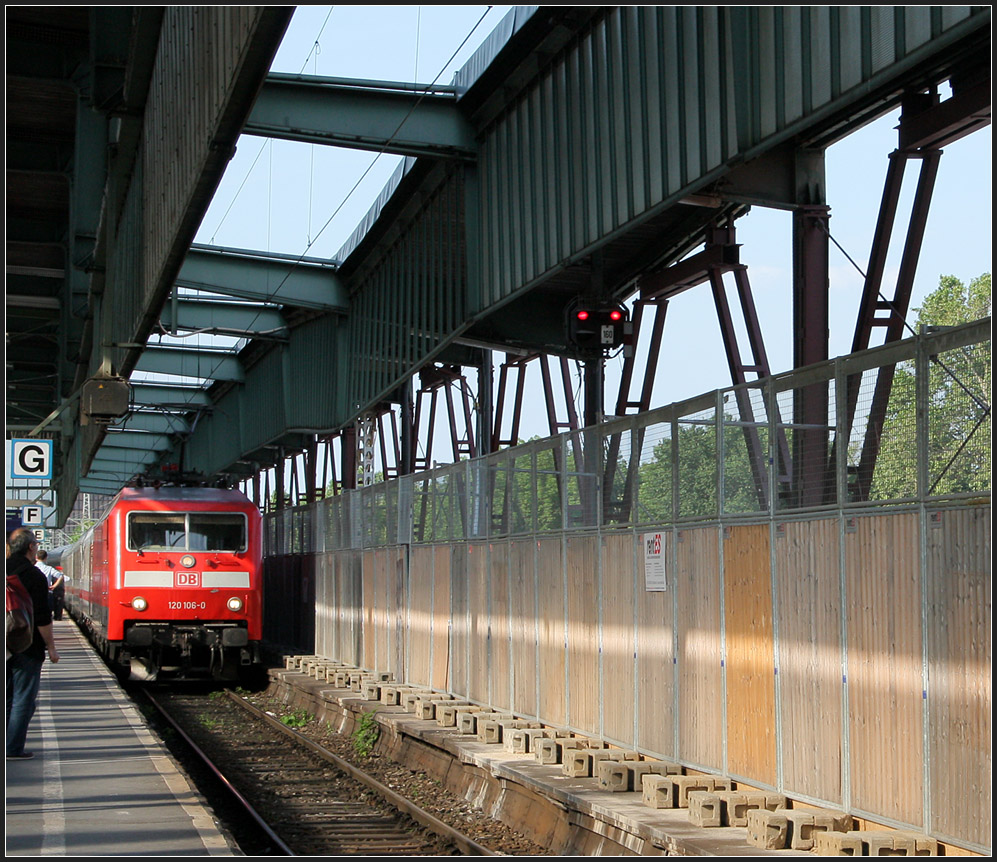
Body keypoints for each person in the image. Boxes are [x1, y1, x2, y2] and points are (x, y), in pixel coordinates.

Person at [6, 529, 60, 760]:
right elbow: (41, 618)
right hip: (28, 644)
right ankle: (12, 748)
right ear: (31, 547)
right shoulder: (34, 576)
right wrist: (51, 647)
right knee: (23, 698)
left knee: (8, 697)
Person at [35, 549, 65, 620]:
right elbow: (61, 576)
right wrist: (54, 586)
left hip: (35, 593)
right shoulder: (49, 569)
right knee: (46, 615)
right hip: (47, 593)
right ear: (46, 558)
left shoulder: (33, 568)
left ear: (36, 557)